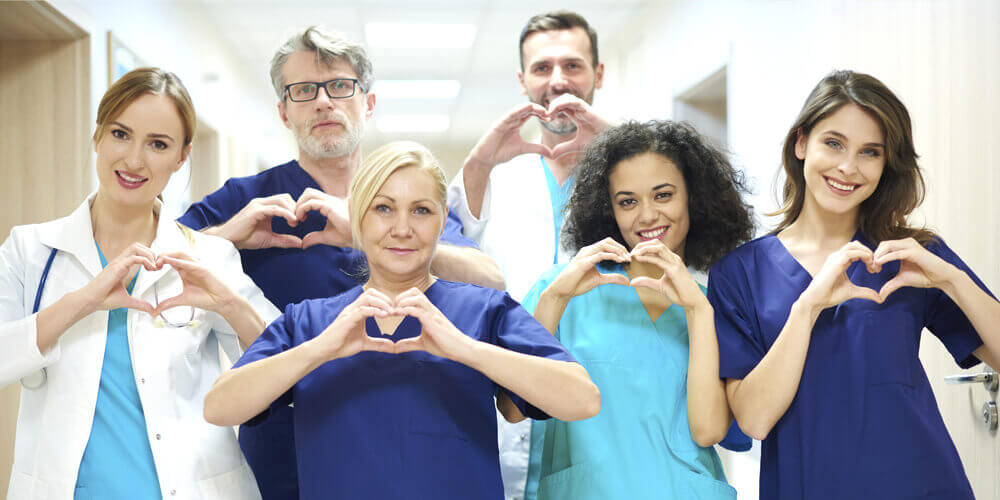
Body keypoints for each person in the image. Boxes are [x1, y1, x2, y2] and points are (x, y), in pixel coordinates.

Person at [178, 26, 504, 498]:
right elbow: (160, 265)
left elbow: (491, 280)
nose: (324, 102)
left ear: (367, 102)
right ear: (283, 111)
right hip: (285, 450)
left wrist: (362, 229)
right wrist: (228, 236)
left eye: (340, 87)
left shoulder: (406, 198)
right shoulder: (247, 200)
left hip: (408, 438)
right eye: (304, 91)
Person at [202, 141, 600, 499]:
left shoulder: (486, 311)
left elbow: (582, 398)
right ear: (357, 217)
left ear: (443, 220)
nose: (403, 229)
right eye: (383, 208)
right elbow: (220, 407)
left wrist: (465, 348)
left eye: (421, 211)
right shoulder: (310, 322)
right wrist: (322, 349)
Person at [708, 70, 1000, 500]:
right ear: (801, 142)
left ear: (886, 165)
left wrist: (952, 279)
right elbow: (754, 420)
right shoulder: (739, 272)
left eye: (870, 152)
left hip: (921, 484)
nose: (848, 167)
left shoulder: (910, 255)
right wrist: (807, 308)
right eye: (834, 143)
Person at [0, 67, 279, 499]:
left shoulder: (208, 257)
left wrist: (227, 302)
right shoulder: (31, 248)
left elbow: (284, 367)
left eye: (158, 144)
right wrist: (84, 301)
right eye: (120, 134)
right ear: (97, 136)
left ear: (181, 157)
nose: (133, 160)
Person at [521, 121, 754, 499]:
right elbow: (514, 407)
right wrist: (555, 297)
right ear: (608, 209)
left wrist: (697, 312)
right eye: (627, 201)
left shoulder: (713, 304)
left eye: (663, 195)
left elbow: (708, 431)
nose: (647, 216)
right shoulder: (563, 289)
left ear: (693, 198)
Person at [446, 11, 614, 497]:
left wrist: (624, 148)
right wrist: (478, 163)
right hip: (508, 413)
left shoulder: (633, 176)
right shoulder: (496, 177)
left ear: (598, 74)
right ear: (523, 81)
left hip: (605, 409)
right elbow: (444, 245)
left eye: (572, 65)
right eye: (542, 68)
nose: (557, 81)